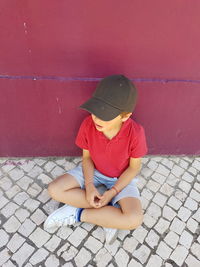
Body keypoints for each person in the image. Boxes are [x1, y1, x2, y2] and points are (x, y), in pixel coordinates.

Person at [44, 74, 148, 245]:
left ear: (125, 116)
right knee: (55, 190)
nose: (97, 118)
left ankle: (78, 214)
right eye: (95, 111)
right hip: (94, 171)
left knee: (134, 219)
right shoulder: (87, 125)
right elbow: (86, 159)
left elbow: (134, 168)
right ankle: (109, 215)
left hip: (121, 179)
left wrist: (113, 192)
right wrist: (90, 186)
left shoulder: (136, 133)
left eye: (105, 115)